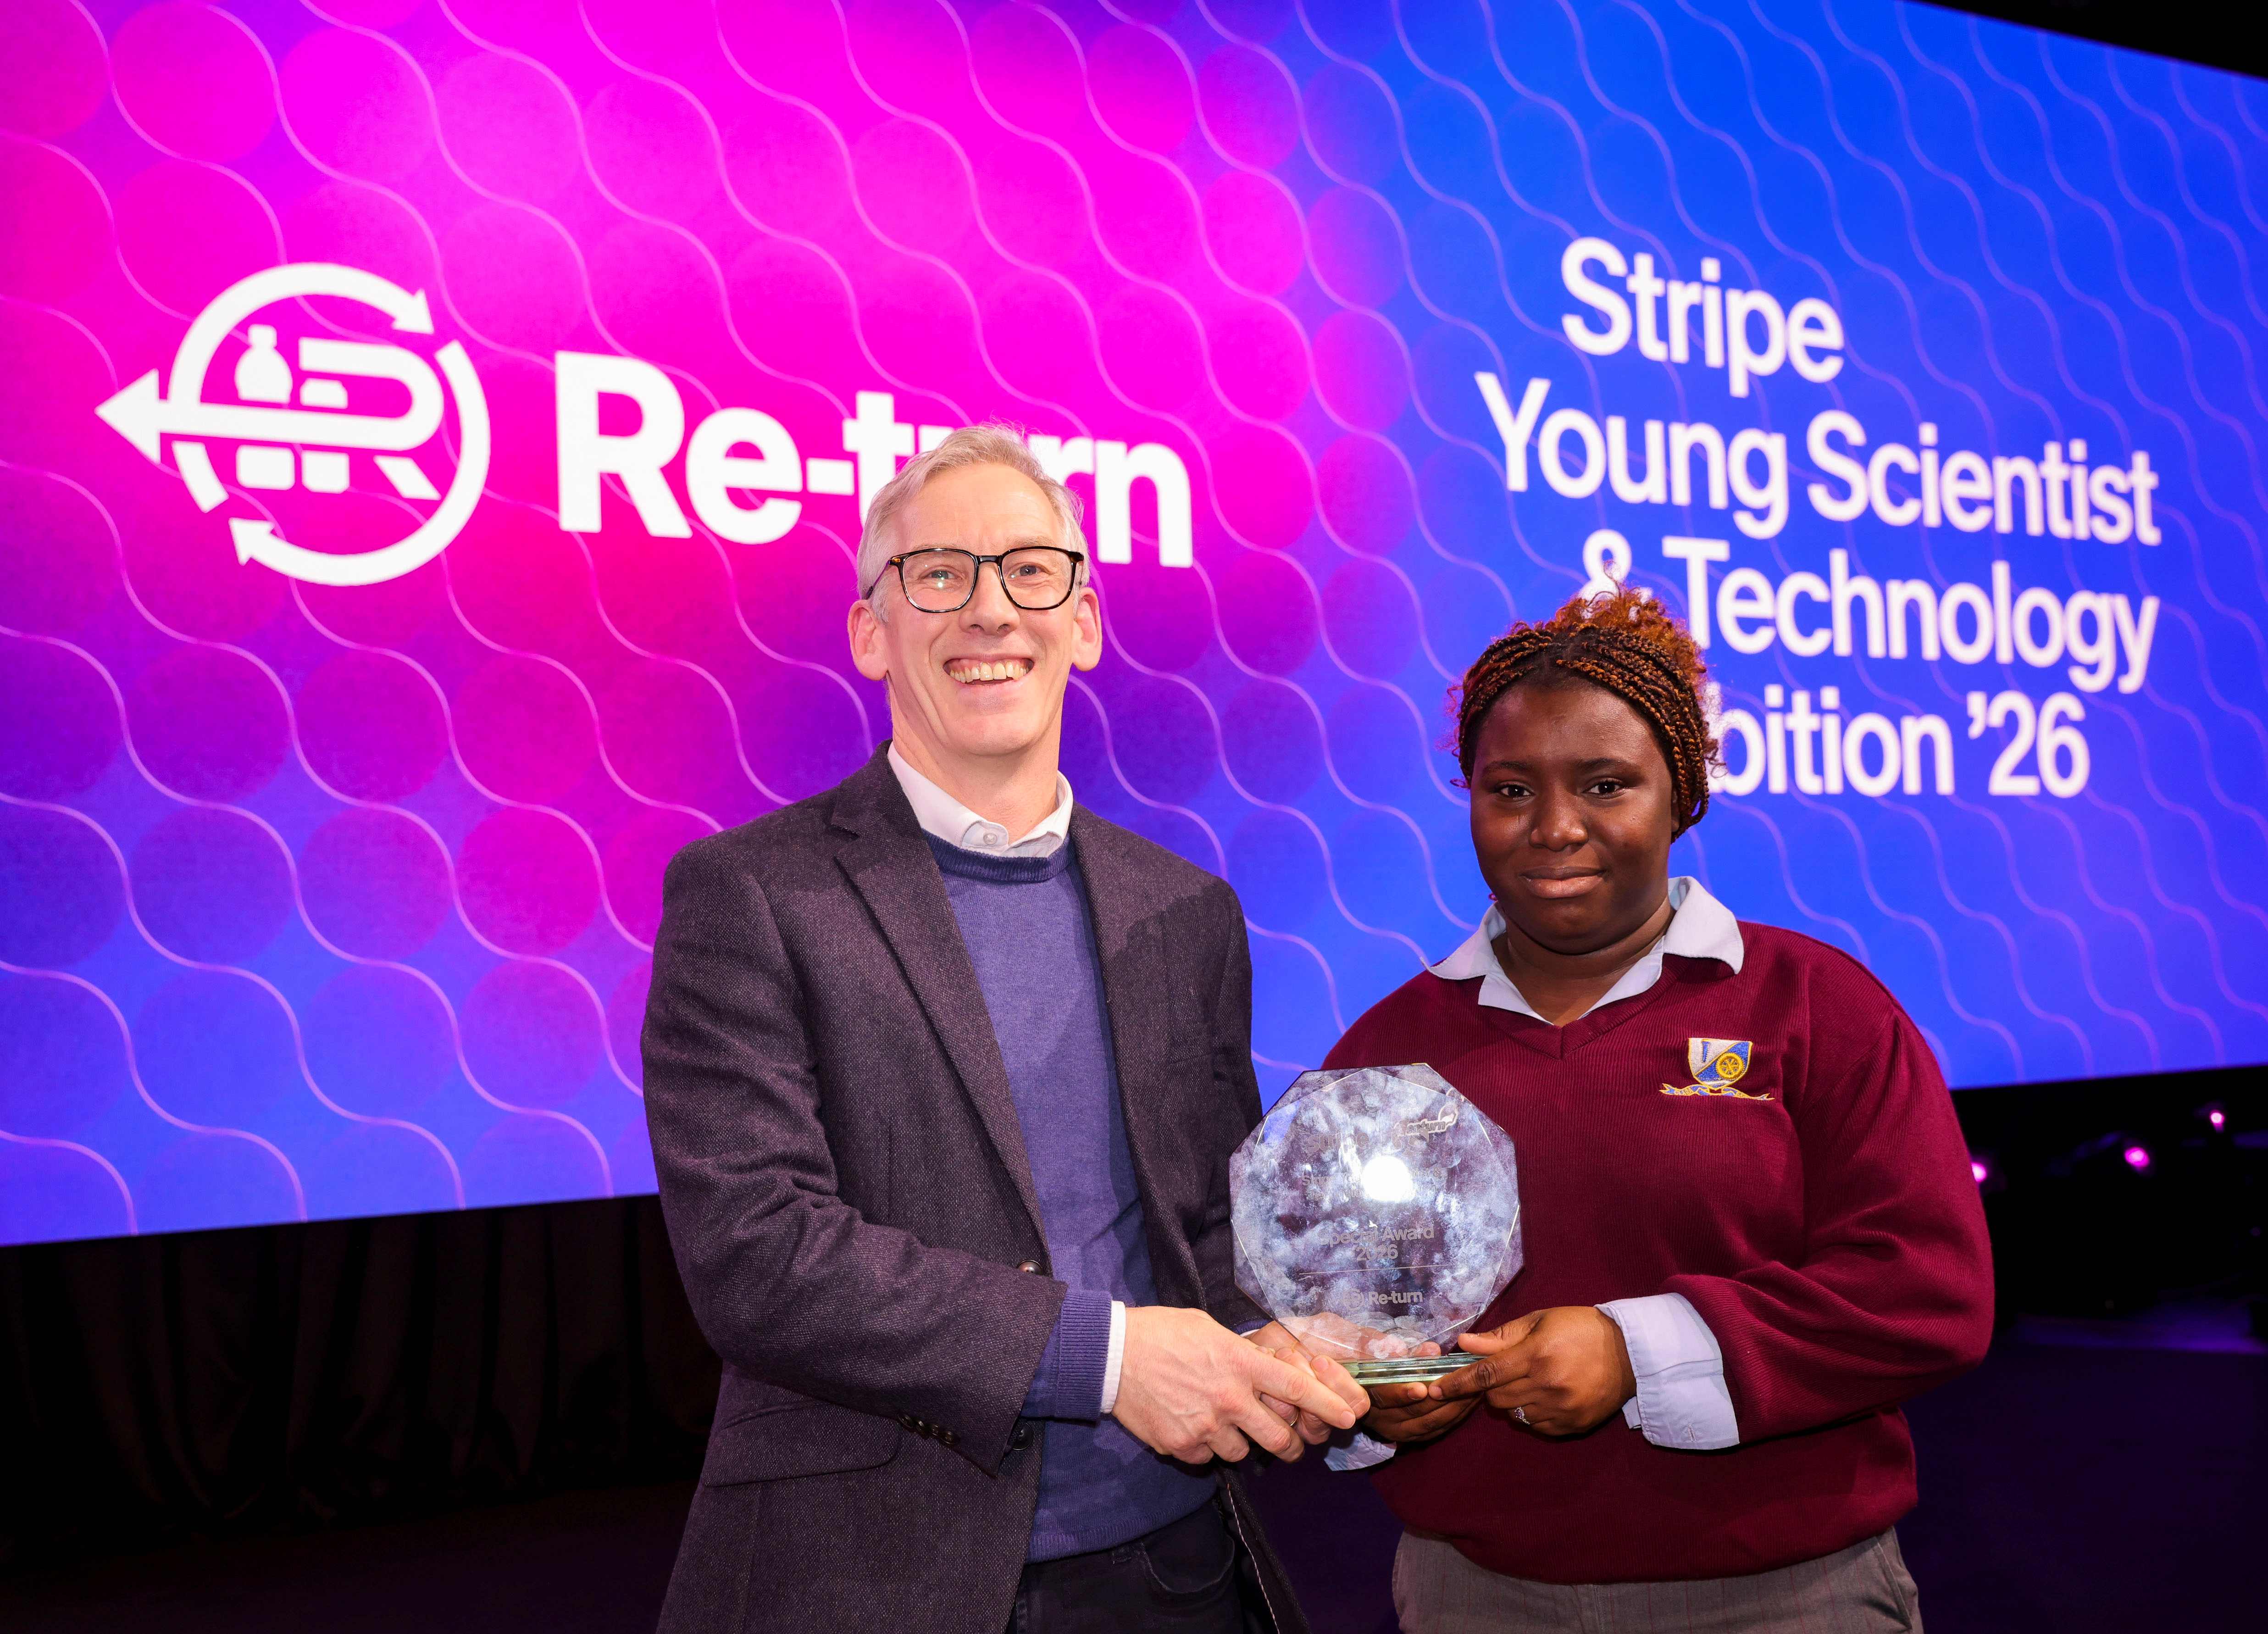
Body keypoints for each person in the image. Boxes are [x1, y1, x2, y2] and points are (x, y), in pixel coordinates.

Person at [641, 424, 1365, 1634]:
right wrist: (1113, 1359)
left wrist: (1294, 1331)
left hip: (1176, 1568)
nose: (988, 610)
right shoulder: (750, 894)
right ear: (872, 630)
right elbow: (758, 1260)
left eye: (1030, 570)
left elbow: (1204, 1231)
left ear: (1082, 620)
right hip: (873, 1579)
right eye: (939, 574)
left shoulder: (1186, 911)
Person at [1328, 587, 1993, 1632]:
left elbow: (1926, 1291)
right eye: (1509, 787)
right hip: (1476, 1597)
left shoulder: (1818, 1007)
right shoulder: (1385, 1050)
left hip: (1786, 1596)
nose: (1553, 827)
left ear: (1681, 796)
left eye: (1605, 784)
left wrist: (1639, 1349)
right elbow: (1331, 1312)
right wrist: (1372, 1390)